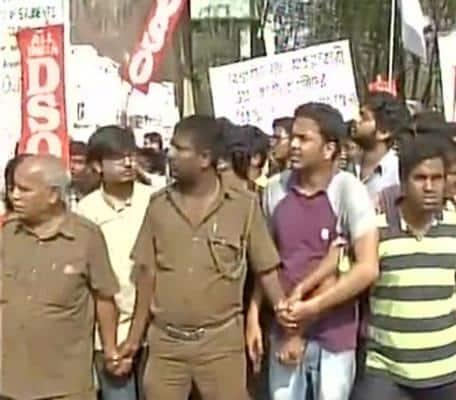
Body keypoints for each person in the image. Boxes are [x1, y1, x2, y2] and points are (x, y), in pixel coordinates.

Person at [118, 115, 289, 399]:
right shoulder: (159, 206)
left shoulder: (243, 208)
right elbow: (146, 277)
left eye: (179, 148)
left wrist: (286, 316)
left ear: (205, 158)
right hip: (166, 347)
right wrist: (134, 340)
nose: (169, 154)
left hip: (221, 345)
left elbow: (267, 269)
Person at [251, 102, 379, 400]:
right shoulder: (274, 190)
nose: (293, 145)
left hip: (335, 336)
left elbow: (367, 267)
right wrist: (255, 316)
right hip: (283, 329)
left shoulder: (349, 191)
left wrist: (312, 308)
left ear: (329, 149)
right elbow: (266, 261)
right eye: (292, 137)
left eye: (304, 139)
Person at [351, 135, 456, 399]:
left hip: (446, 370)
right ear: (403, 182)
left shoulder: (455, 226)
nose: (429, 187)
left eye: (437, 178)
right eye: (420, 178)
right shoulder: (376, 229)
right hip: (386, 372)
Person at [1, 155, 121, 400]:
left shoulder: (86, 237)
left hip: (64, 384)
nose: (14, 196)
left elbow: (104, 297)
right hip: (9, 381)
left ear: (53, 195)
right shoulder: (7, 235)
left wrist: (110, 349)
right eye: (13, 188)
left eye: (24, 190)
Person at [75, 126, 155, 400]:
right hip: (108, 334)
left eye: (131, 155)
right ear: (97, 166)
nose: (128, 163)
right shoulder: (85, 211)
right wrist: (109, 345)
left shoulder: (155, 199)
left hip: (155, 329)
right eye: (118, 158)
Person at [352, 92, 410, 198]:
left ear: (383, 132)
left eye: (364, 118)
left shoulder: (400, 173)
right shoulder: (346, 165)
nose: (356, 121)